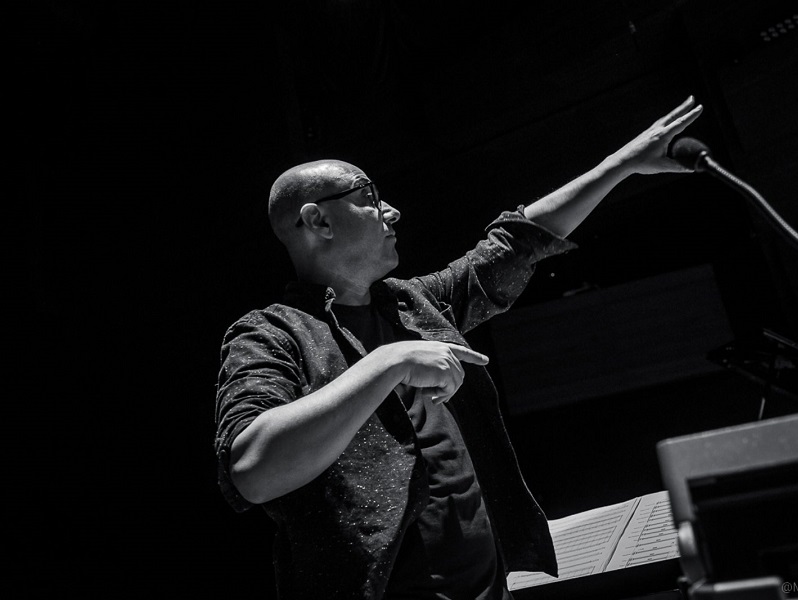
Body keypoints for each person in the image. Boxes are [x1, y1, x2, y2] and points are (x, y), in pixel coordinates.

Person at [215, 96, 703, 599]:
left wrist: (622, 165)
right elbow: (253, 470)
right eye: (369, 196)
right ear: (318, 221)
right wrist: (389, 361)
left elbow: (518, 244)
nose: (392, 211)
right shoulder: (270, 334)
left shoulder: (412, 304)